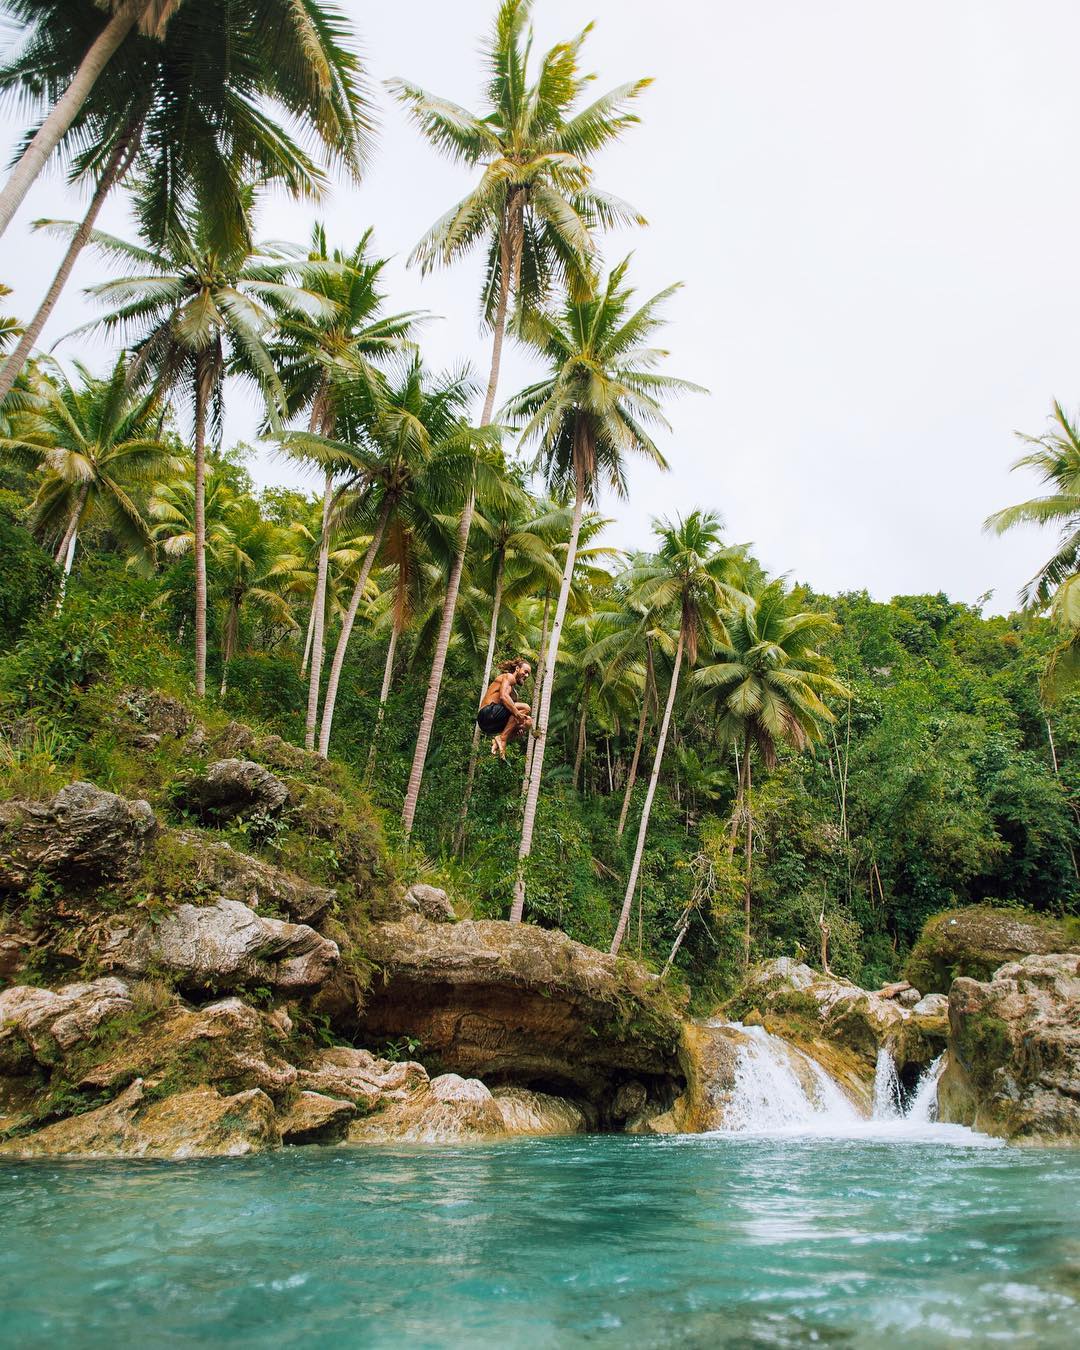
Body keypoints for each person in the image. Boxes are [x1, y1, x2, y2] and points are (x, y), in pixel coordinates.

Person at [476, 657, 533, 760]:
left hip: (488, 726)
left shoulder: (514, 693)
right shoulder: (509, 677)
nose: (527, 675)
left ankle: (499, 739)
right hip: (486, 713)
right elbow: (503, 696)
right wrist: (517, 714)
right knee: (526, 708)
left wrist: (519, 727)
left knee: (528, 722)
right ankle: (502, 739)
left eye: (528, 674)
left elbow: (512, 714)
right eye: (525, 672)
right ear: (517, 669)